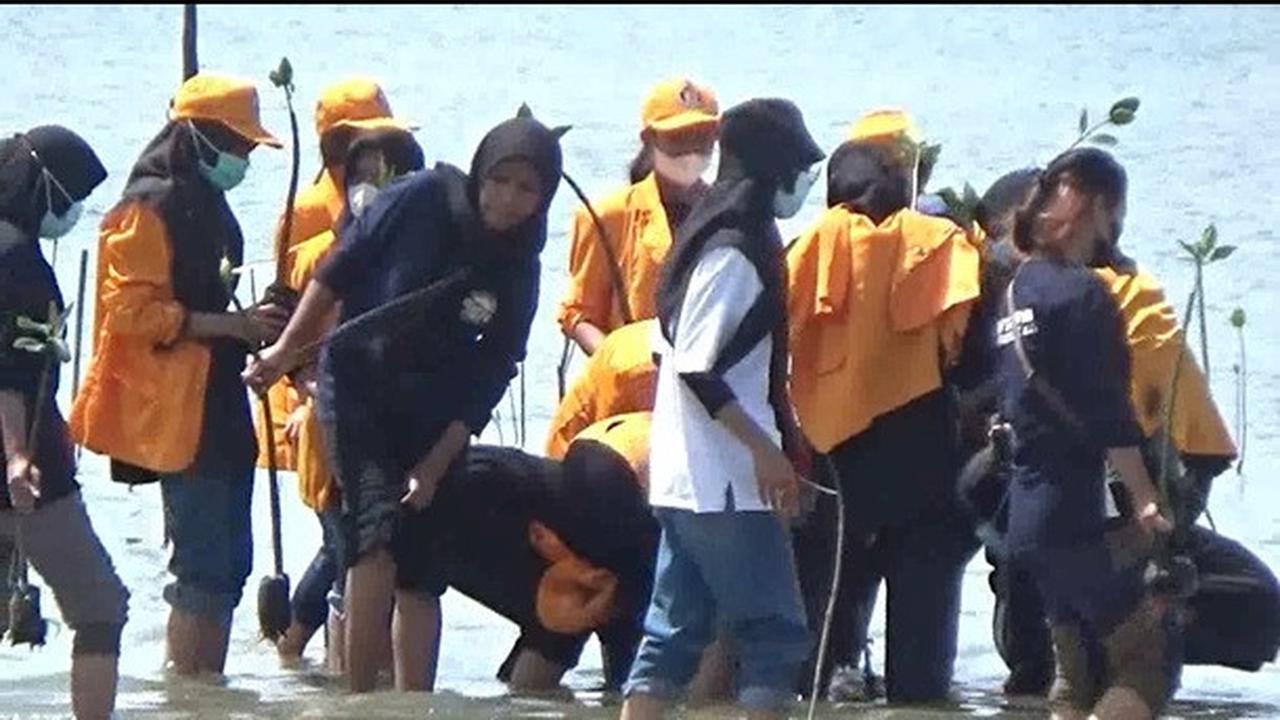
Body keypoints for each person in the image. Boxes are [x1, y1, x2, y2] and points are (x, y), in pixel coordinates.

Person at [243, 108, 564, 693]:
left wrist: (436, 465)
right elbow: (337, 273)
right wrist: (285, 353)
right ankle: (359, 697)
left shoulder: (521, 264)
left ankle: (413, 702)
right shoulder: (421, 198)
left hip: (436, 410)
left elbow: (496, 367)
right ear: (480, 173)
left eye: (526, 190)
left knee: (423, 568)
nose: (508, 199)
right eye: (499, 180)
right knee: (374, 539)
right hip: (358, 387)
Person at [69, 73, 286, 677]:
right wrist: (230, 326)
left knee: (228, 569)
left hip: (217, 400)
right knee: (203, 571)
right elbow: (129, 314)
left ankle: (201, 695)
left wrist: (251, 324)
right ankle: (189, 695)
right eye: (234, 144)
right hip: (176, 410)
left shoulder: (204, 203)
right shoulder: (148, 206)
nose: (242, 158)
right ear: (194, 136)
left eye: (248, 147)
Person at [620, 98, 824, 720]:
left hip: (688, 479)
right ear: (767, 169)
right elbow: (696, 368)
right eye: (796, 170)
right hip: (726, 483)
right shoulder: (735, 249)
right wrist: (766, 454)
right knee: (775, 636)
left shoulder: (708, 234)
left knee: (672, 635)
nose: (801, 184)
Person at [787, 140, 982, 703]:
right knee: (921, 674)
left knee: (821, 660)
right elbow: (963, 347)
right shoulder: (942, 245)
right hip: (923, 464)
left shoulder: (806, 250)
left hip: (834, 471)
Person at [992, 147, 1176, 719]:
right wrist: (1145, 498)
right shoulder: (1084, 294)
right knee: (1150, 658)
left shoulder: (1015, 291)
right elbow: (1108, 412)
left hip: (1026, 517)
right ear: (1100, 208)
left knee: (1075, 674)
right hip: (1076, 515)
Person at [274, 125, 424, 666]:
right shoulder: (319, 255)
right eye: (360, 178)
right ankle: (344, 676)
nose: (370, 190)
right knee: (347, 548)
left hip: (394, 427)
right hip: (327, 423)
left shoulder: (420, 257)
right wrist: (308, 389)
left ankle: (306, 653)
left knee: (363, 548)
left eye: (386, 177)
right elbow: (287, 339)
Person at [1, 125, 128, 720]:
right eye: (70, 195)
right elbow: (9, 373)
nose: (73, 209)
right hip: (28, 471)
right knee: (100, 608)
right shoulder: (19, 266)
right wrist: (16, 457)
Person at [254, 77, 412, 480]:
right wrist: (306, 396)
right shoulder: (307, 211)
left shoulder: (396, 199)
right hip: (307, 403)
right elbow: (294, 310)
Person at [558, 78, 719, 355]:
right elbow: (579, 314)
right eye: (677, 137)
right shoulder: (606, 216)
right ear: (649, 139)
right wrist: (621, 362)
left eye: (701, 136)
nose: (690, 149)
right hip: (633, 375)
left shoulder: (731, 214)